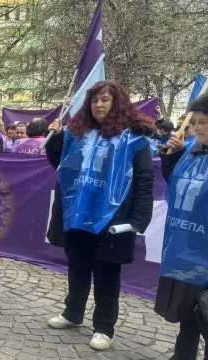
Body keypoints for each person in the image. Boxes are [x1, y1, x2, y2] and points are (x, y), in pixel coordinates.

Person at [44, 80, 154, 351]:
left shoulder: (134, 139)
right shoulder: (77, 134)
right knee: (78, 266)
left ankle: (104, 327)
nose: (99, 105)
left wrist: (139, 220)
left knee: (106, 273)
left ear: (117, 104)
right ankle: (73, 313)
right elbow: (61, 165)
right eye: (95, 100)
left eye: (105, 100)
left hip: (113, 218)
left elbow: (143, 180)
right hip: (79, 214)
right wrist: (56, 139)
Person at [155, 92, 208, 360]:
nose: (195, 127)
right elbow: (177, 188)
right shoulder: (193, 151)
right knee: (189, 319)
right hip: (190, 254)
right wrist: (174, 155)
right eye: (196, 121)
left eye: (203, 121)